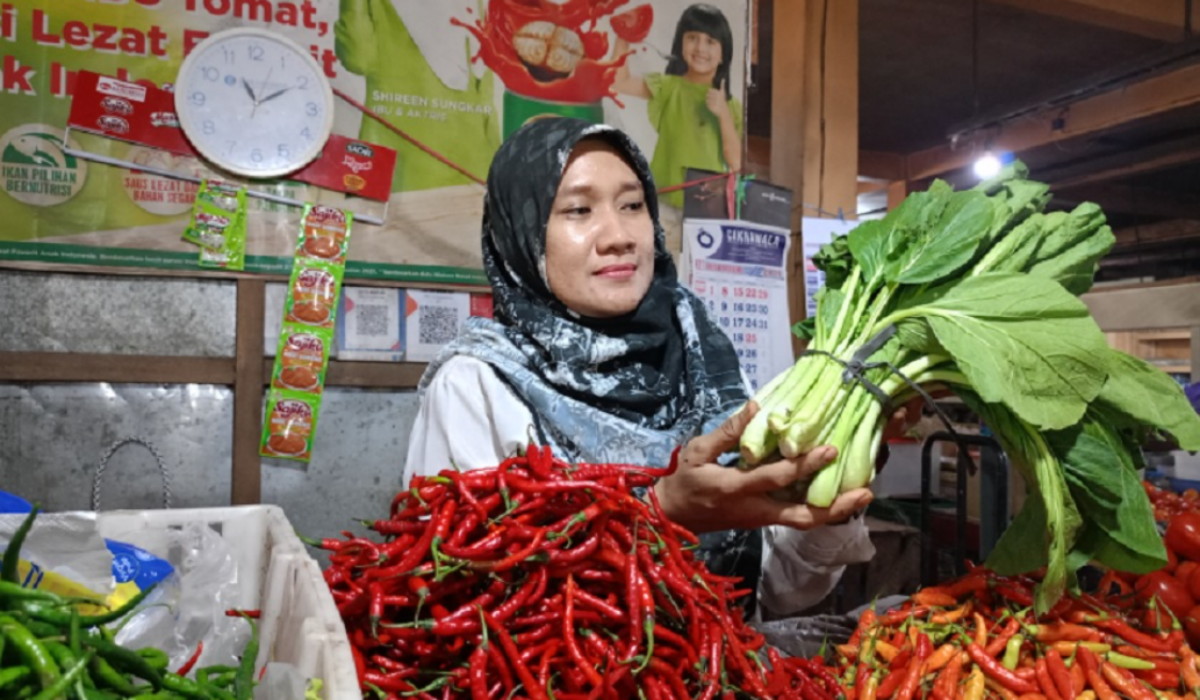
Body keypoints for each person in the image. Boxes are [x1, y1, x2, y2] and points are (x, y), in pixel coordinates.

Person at [404, 117, 880, 618]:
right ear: (521, 234)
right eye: (578, 209)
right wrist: (658, 514)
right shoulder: (478, 383)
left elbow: (774, 592)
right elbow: (455, 609)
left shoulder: (702, 350)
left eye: (632, 205)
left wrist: (835, 478)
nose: (619, 236)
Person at [611, 3, 742, 208]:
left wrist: (723, 115)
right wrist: (623, 37)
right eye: (692, 38)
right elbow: (620, 82)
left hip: (706, 208)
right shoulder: (668, 87)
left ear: (723, 54)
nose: (700, 48)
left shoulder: (731, 106)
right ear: (680, 42)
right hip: (662, 200)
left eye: (710, 41)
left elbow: (736, 162)